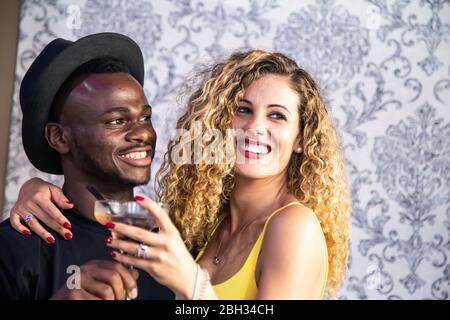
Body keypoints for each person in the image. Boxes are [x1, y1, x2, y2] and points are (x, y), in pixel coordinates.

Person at [9, 50, 351, 299]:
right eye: (243, 110)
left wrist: (192, 284)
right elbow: (98, 207)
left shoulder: (292, 227)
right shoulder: (205, 225)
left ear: (301, 139)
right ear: (220, 123)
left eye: (277, 116)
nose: (254, 128)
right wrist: (38, 190)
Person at [0, 33, 173, 300]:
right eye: (116, 121)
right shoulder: (15, 246)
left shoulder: (174, 240)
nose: (143, 134)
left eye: (145, 117)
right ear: (59, 137)